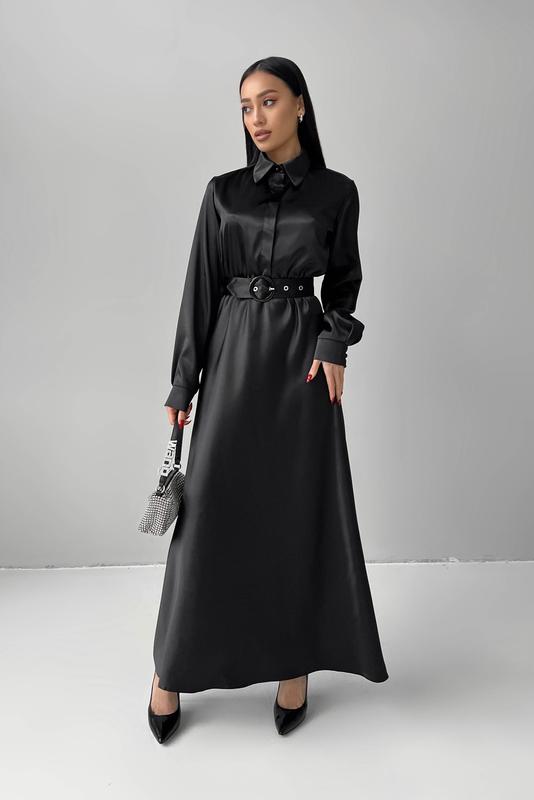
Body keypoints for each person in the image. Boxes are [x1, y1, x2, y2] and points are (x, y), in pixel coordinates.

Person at [147, 55, 389, 744]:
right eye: (246, 106)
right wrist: (183, 383)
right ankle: (171, 669)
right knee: (208, 514)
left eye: (269, 101)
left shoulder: (337, 192)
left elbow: (344, 280)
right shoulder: (222, 193)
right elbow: (199, 289)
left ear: (301, 105)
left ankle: (293, 663)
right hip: (232, 358)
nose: (256, 117)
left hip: (301, 368)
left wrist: (334, 342)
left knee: (295, 514)